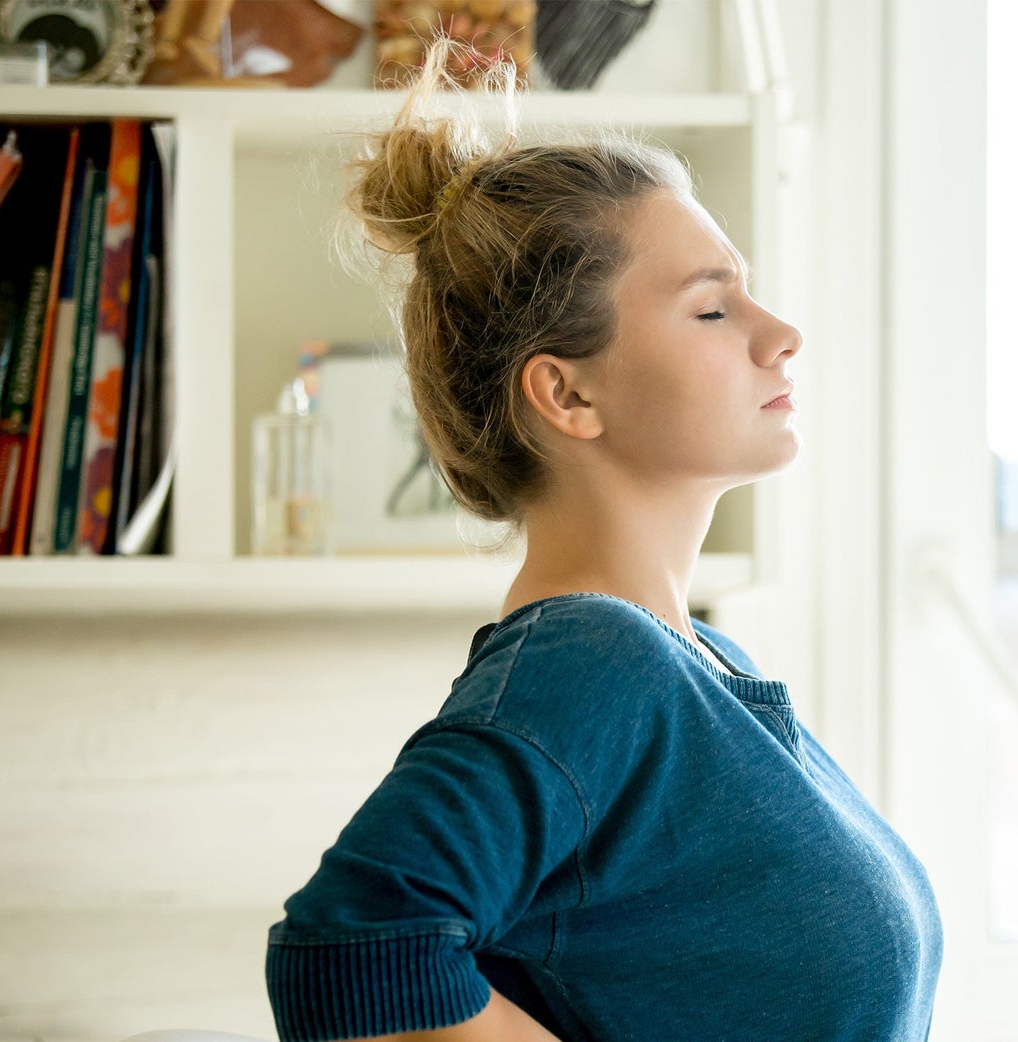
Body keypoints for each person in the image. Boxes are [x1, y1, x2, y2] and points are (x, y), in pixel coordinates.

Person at [263, 35, 942, 1042]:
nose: (778, 331)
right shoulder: (591, 663)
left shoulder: (696, 665)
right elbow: (353, 943)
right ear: (567, 392)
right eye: (712, 307)